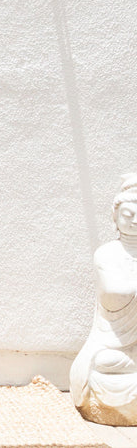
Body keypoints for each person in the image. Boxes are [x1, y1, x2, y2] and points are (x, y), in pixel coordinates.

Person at [71, 173, 137, 424]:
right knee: (103, 362)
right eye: (128, 215)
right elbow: (113, 294)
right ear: (116, 217)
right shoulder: (107, 254)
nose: (135, 221)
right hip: (115, 344)